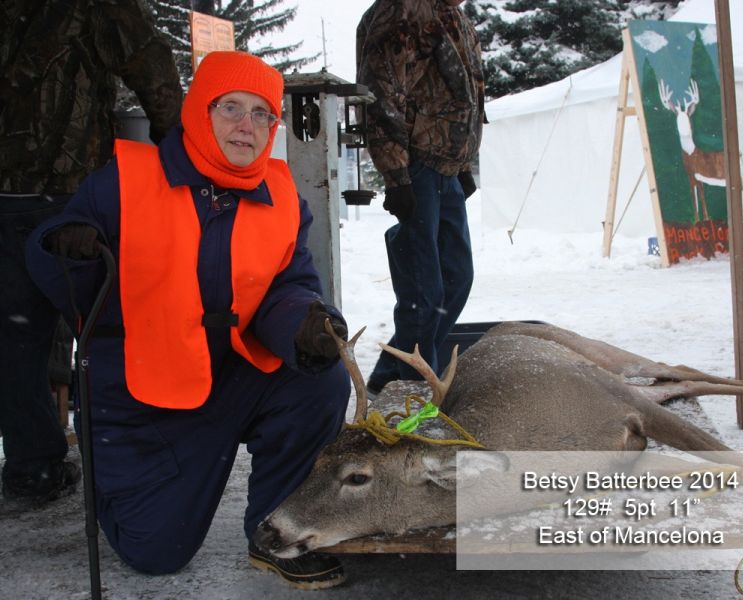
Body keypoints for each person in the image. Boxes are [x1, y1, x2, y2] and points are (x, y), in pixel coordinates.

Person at [26, 51, 351, 589]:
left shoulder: (282, 194)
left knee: (318, 381)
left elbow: (286, 287)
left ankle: (276, 529)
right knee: (155, 552)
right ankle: (121, 477)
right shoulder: (124, 180)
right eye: (230, 108)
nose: (247, 126)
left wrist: (304, 325)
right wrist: (69, 251)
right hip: (142, 397)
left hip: (233, 379)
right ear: (199, 109)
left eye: (262, 113)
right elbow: (62, 279)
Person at [0, 0, 183, 502]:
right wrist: (176, 146)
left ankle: (34, 466)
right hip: (75, 195)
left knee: (17, 339)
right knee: (111, 328)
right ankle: (125, 460)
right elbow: (148, 59)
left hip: (11, 195)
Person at [356, 0, 485, 395]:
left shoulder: (454, 13)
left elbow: (467, 93)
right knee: (424, 295)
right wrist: (397, 175)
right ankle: (413, 395)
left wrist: (466, 165)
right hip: (416, 166)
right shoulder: (401, 10)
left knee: (456, 279)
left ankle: (391, 376)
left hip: (448, 166)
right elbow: (381, 94)